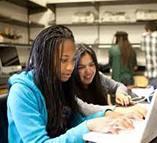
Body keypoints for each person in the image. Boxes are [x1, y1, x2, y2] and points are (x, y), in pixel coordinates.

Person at [7, 25, 144, 143]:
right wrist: (89, 125)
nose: (70, 67)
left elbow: (74, 121)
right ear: (44, 59)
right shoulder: (21, 92)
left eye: (73, 60)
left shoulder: (58, 82)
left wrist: (110, 116)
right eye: (63, 60)